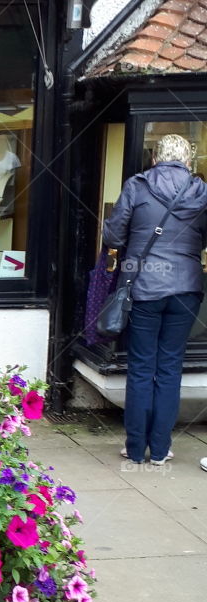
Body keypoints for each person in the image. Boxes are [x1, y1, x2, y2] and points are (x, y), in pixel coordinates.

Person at [102, 134, 207, 465]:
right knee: (170, 367)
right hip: (187, 288)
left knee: (141, 366)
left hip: (144, 286)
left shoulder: (138, 184)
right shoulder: (201, 190)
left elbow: (113, 235)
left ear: (155, 158)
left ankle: (135, 450)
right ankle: (160, 450)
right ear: (188, 161)